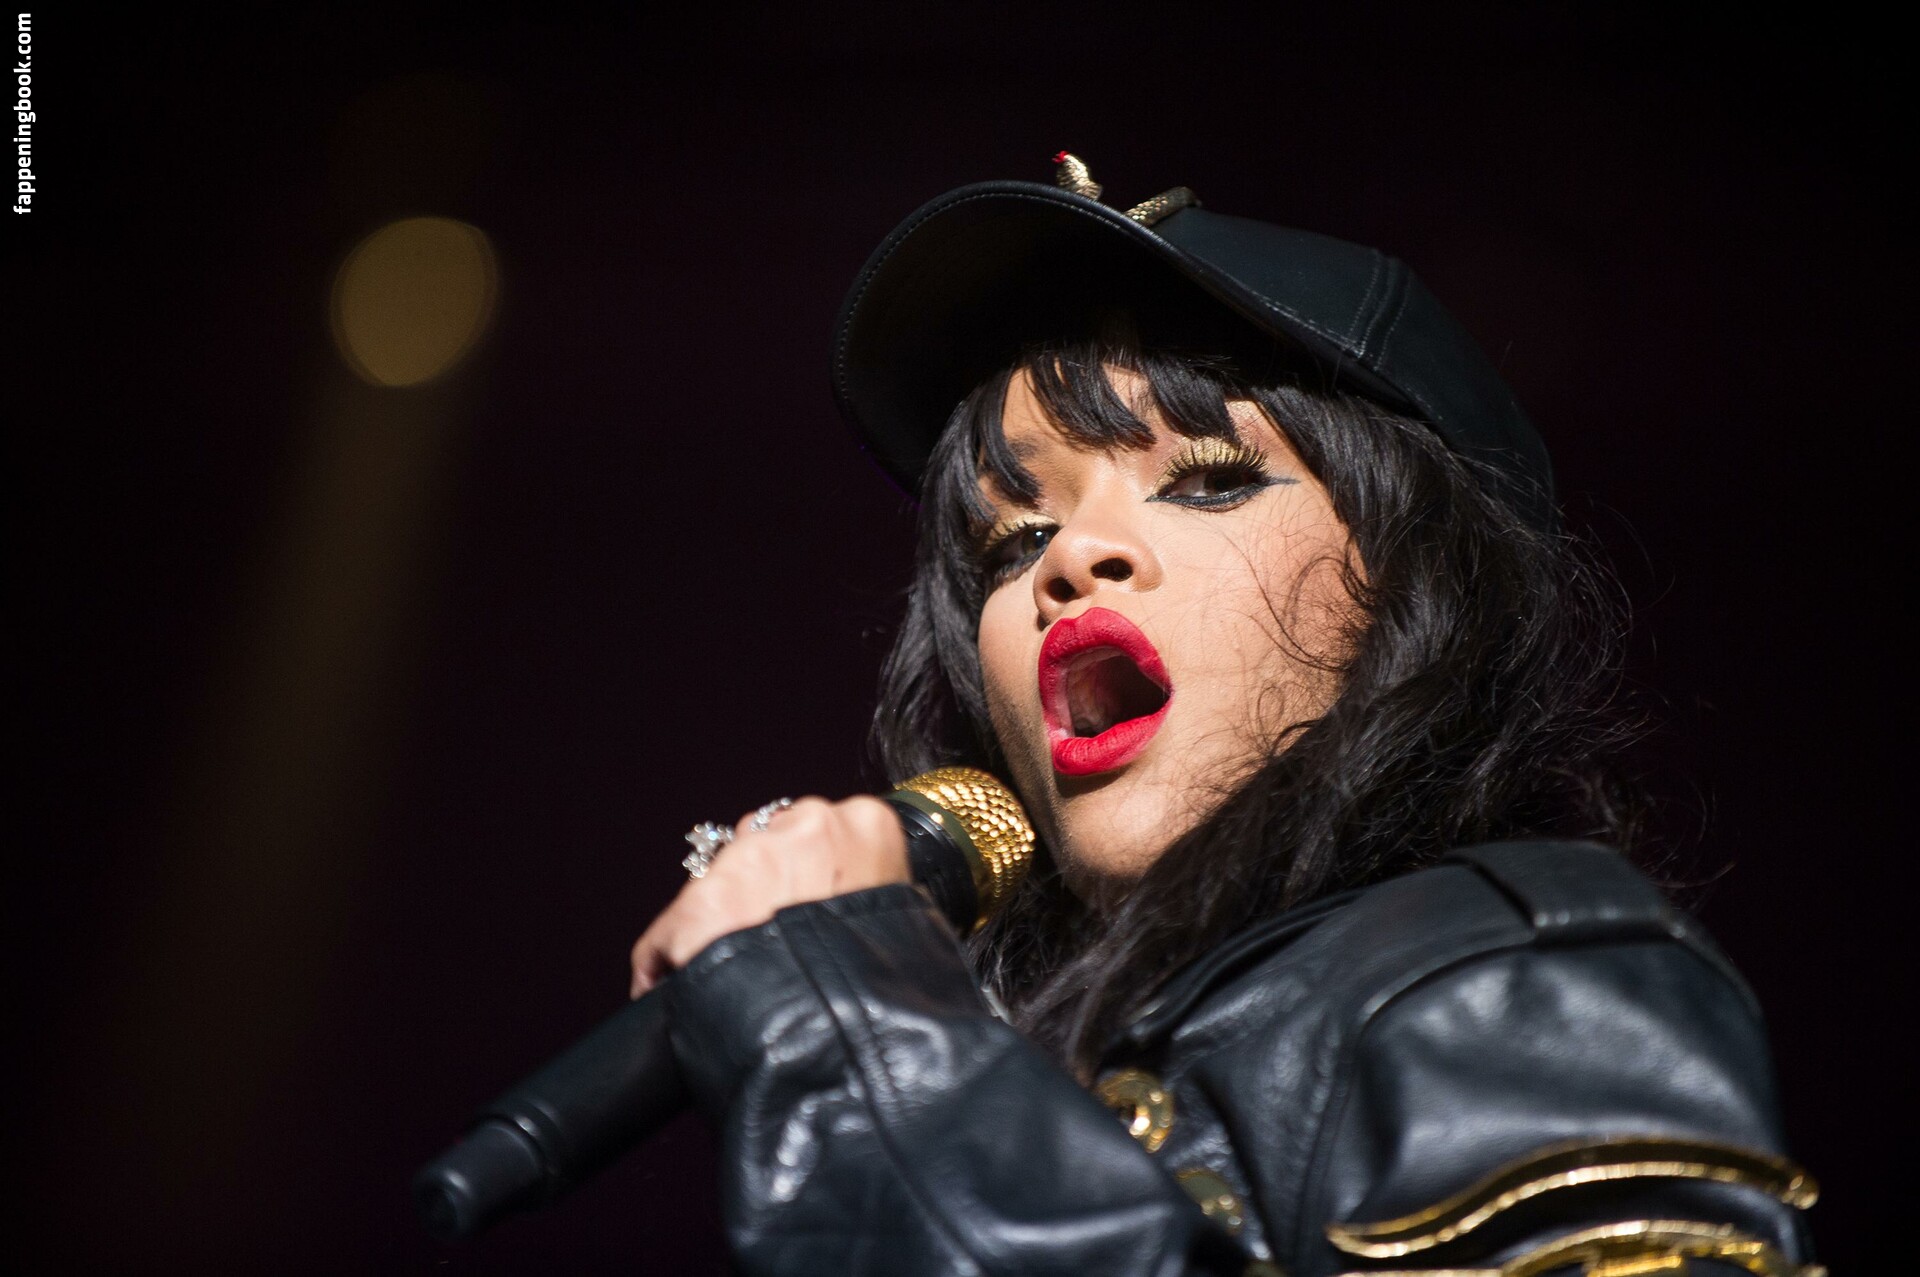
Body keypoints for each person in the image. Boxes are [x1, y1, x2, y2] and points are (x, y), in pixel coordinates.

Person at [627, 156, 1820, 1276]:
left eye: (1208, 480)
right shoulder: (1050, 1065)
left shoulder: (1521, 981)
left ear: (1425, 586)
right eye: (1014, 538)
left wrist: (858, 1056)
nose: (1073, 557)